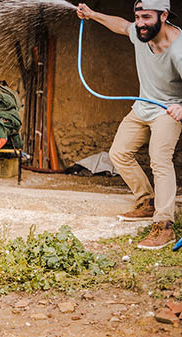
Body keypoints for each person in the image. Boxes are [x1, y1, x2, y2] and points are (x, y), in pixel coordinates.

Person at [77, 0, 182, 249]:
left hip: (168, 110)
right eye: (138, 17)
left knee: (159, 159)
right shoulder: (139, 33)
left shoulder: (178, 51)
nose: (140, 24)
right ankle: (147, 202)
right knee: (119, 153)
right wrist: (92, 15)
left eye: (146, 17)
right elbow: (123, 26)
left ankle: (165, 225)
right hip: (143, 106)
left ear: (164, 15)